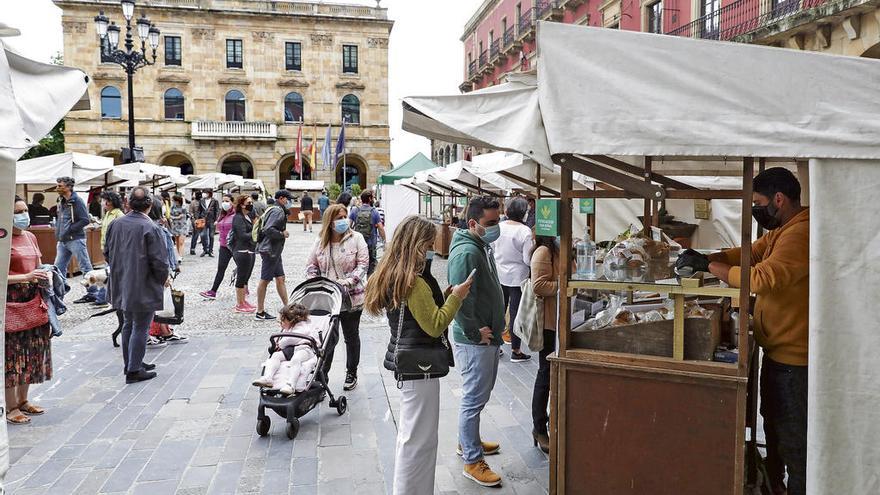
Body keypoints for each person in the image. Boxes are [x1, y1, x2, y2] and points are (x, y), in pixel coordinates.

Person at [676, 167, 809, 495]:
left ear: (778, 199)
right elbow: (749, 253)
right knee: (775, 430)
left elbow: (762, 277)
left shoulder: (801, 232)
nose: (756, 210)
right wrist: (709, 256)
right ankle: (775, 485)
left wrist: (709, 267)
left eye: (759, 203)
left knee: (794, 442)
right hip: (778, 353)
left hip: (796, 361)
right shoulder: (782, 229)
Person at [364, 215, 472, 495]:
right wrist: (456, 297)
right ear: (417, 243)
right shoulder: (414, 280)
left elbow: (421, 313)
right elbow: (435, 324)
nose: (431, 247)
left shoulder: (398, 274)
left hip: (411, 368)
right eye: (427, 243)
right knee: (419, 441)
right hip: (420, 367)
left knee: (413, 438)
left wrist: (446, 296)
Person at [447, 196, 505, 487]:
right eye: (491, 223)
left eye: (498, 220)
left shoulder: (480, 245)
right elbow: (458, 298)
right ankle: (472, 460)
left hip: (486, 337)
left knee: (479, 396)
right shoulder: (466, 253)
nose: (497, 226)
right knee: (472, 399)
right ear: (473, 223)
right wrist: (474, 331)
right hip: (475, 341)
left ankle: (467, 441)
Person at [104, 187, 170, 384]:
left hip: (121, 280)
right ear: (150, 205)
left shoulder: (115, 224)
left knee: (128, 324)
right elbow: (160, 262)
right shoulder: (151, 227)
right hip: (142, 282)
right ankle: (134, 369)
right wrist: (161, 280)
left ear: (128, 203)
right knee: (140, 326)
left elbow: (106, 252)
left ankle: (133, 362)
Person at [305, 204, 368, 391]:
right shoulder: (320, 241)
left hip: (350, 297)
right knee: (327, 339)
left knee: (351, 336)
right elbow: (310, 265)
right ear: (329, 221)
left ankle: (351, 372)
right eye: (338, 217)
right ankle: (323, 377)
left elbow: (363, 264)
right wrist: (315, 281)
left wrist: (348, 281)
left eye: (344, 216)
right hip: (327, 298)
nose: (343, 220)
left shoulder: (356, 238)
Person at [5, 197, 53, 425]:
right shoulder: (3, 238)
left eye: (25, 210)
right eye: (18, 211)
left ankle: (24, 400)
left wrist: (45, 274)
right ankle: (11, 405)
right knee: (13, 355)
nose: (24, 215)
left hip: (33, 299)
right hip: (12, 302)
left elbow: (38, 264)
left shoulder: (31, 236)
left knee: (31, 352)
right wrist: (25, 277)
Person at [529, 234, 561, 454]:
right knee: (545, 373)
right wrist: (564, 285)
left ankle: (551, 422)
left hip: (562, 320)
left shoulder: (560, 248)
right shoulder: (543, 251)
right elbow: (538, 286)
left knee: (551, 373)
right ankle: (539, 427)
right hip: (549, 323)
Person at [493, 196, 533, 362]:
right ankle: (516, 350)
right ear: (524, 213)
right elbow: (527, 259)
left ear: (507, 211)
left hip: (499, 274)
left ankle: (496, 346)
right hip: (518, 277)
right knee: (516, 314)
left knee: (499, 311)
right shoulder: (525, 231)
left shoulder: (498, 227)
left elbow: (492, 249)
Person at [251, 303, 319, 396]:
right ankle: (268, 377)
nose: (280, 323)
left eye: (282, 321)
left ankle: (291, 384)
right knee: (276, 356)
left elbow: (291, 339)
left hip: (305, 349)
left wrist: (281, 344)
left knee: (296, 359)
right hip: (291, 349)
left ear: (292, 320)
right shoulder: (290, 327)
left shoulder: (303, 326)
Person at [53, 176, 98, 304]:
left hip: (75, 239)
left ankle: (93, 293)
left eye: (60, 186)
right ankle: (58, 295)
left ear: (68, 187)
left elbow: (85, 219)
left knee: (85, 267)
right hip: (63, 240)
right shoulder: (61, 200)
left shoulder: (77, 201)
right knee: (58, 268)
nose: (57, 188)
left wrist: (70, 229)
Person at [254, 190, 293, 320]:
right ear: (281, 198)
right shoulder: (277, 211)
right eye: (288, 199)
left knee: (280, 278)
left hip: (274, 251)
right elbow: (269, 229)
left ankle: (288, 307)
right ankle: (260, 311)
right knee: (265, 280)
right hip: (270, 250)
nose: (289, 202)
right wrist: (282, 234)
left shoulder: (274, 208)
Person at [199, 194, 236, 301]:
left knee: (242, 269)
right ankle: (213, 291)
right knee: (221, 269)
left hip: (235, 246)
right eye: (223, 201)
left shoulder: (237, 215)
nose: (225, 203)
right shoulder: (222, 214)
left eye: (227, 201)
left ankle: (243, 287)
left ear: (232, 202)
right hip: (224, 246)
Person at [93, 191, 125, 309]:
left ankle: (109, 299)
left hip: (115, 250)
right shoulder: (107, 214)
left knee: (112, 274)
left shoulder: (118, 215)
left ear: (109, 202)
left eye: (103, 200)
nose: (101, 203)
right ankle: (108, 299)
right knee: (110, 273)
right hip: (106, 248)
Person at [230, 195, 257, 313]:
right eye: (248, 202)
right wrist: (255, 232)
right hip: (241, 251)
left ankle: (243, 301)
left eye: (251, 202)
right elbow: (242, 235)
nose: (251, 204)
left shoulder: (247, 216)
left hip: (248, 250)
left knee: (245, 277)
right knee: (241, 278)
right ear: (242, 204)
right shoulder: (238, 218)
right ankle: (239, 304)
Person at [349, 190, 385, 275]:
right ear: (369, 198)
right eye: (372, 197)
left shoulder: (355, 210)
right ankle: (369, 281)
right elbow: (380, 228)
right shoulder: (374, 211)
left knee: (358, 264)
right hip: (371, 244)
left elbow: (349, 226)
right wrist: (384, 240)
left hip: (357, 243)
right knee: (371, 265)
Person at [200, 189, 220, 257]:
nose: (204, 194)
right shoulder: (201, 200)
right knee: (203, 235)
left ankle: (210, 250)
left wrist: (216, 220)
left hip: (212, 220)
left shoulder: (214, 201)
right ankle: (205, 249)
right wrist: (198, 218)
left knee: (211, 236)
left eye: (205, 192)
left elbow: (217, 211)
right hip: (203, 220)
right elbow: (199, 210)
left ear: (209, 193)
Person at [169, 194, 189, 262]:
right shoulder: (172, 206)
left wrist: (183, 199)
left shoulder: (183, 207)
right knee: (177, 241)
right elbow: (170, 215)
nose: (173, 201)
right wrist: (176, 217)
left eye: (174, 200)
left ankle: (180, 256)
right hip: (175, 226)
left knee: (181, 242)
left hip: (182, 225)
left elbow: (183, 215)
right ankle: (179, 254)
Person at [189, 190, 204, 255]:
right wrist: (193, 220)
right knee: (195, 235)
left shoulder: (203, 202)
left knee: (204, 235)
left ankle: (205, 249)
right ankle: (192, 249)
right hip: (195, 220)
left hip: (203, 220)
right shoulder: (193, 202)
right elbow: (191, 212)